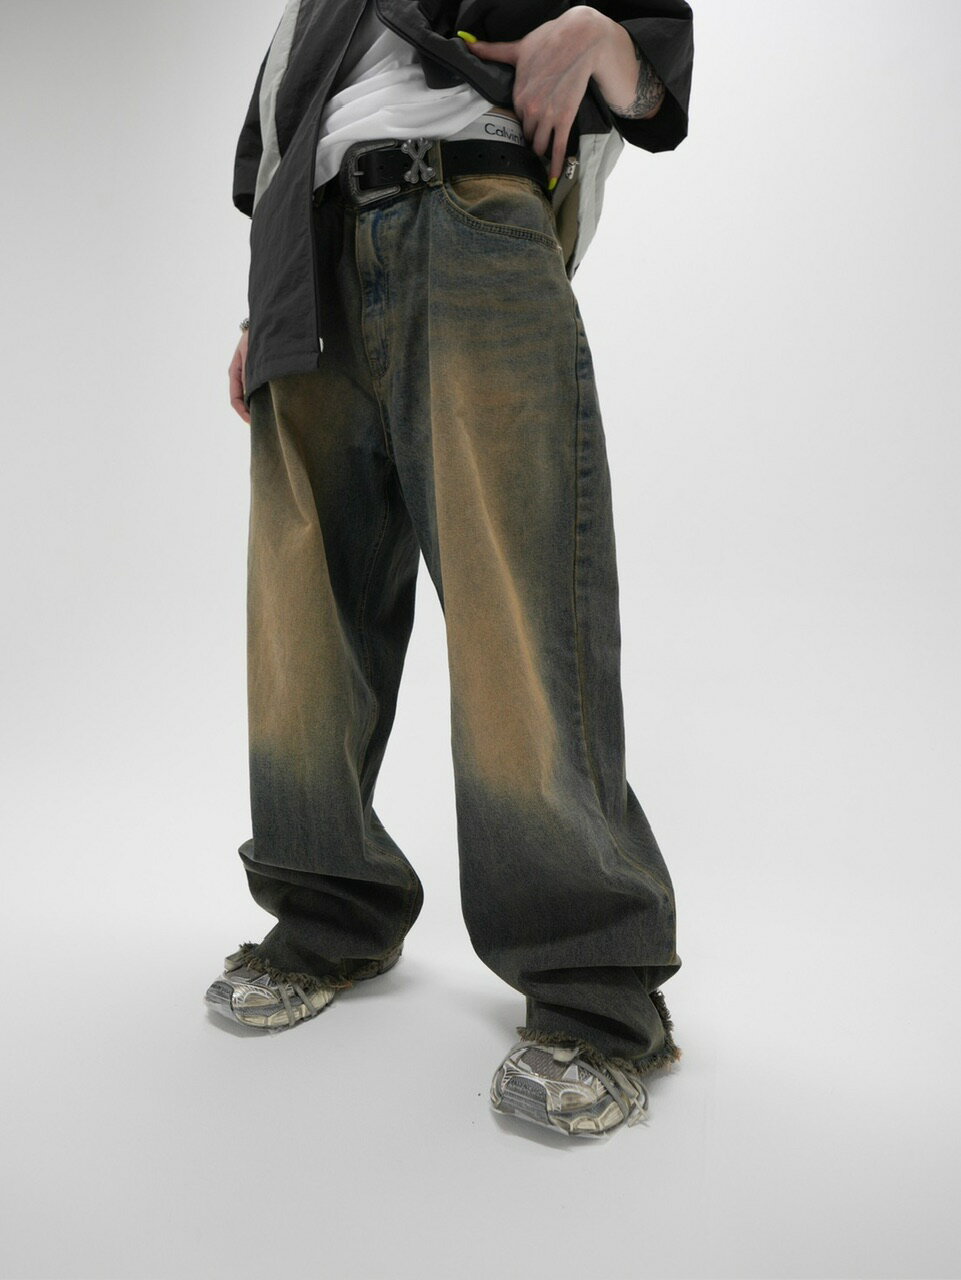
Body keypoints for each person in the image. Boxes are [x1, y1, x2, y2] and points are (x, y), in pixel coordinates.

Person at [205, 0, 695, 1139]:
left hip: (468, 208)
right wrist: (260, 304)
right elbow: (275, 138)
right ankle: (328, 914)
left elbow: (653, 61)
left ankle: (594, 991)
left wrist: (602, 44)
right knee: (302, 621)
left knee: (516, 612)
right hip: (308, 263)